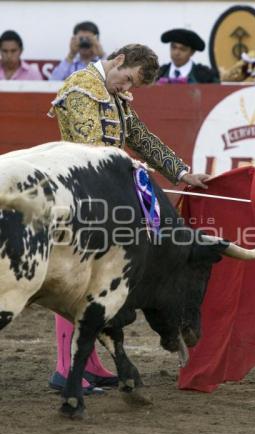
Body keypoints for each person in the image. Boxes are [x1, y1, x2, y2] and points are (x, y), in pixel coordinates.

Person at [49, 43, 211, 393]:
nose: (127, 88)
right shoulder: (80, 89)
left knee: (94, 281)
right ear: (119, 60)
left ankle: (89, 363)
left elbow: (142, 138)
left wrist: (182, 174)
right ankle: (65, 367)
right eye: (127, 79)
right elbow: (88, 148)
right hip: (78, 197)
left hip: (107, 197)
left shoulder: (114, 94)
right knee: (72, 280)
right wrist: (128, 165)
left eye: (132, 85)